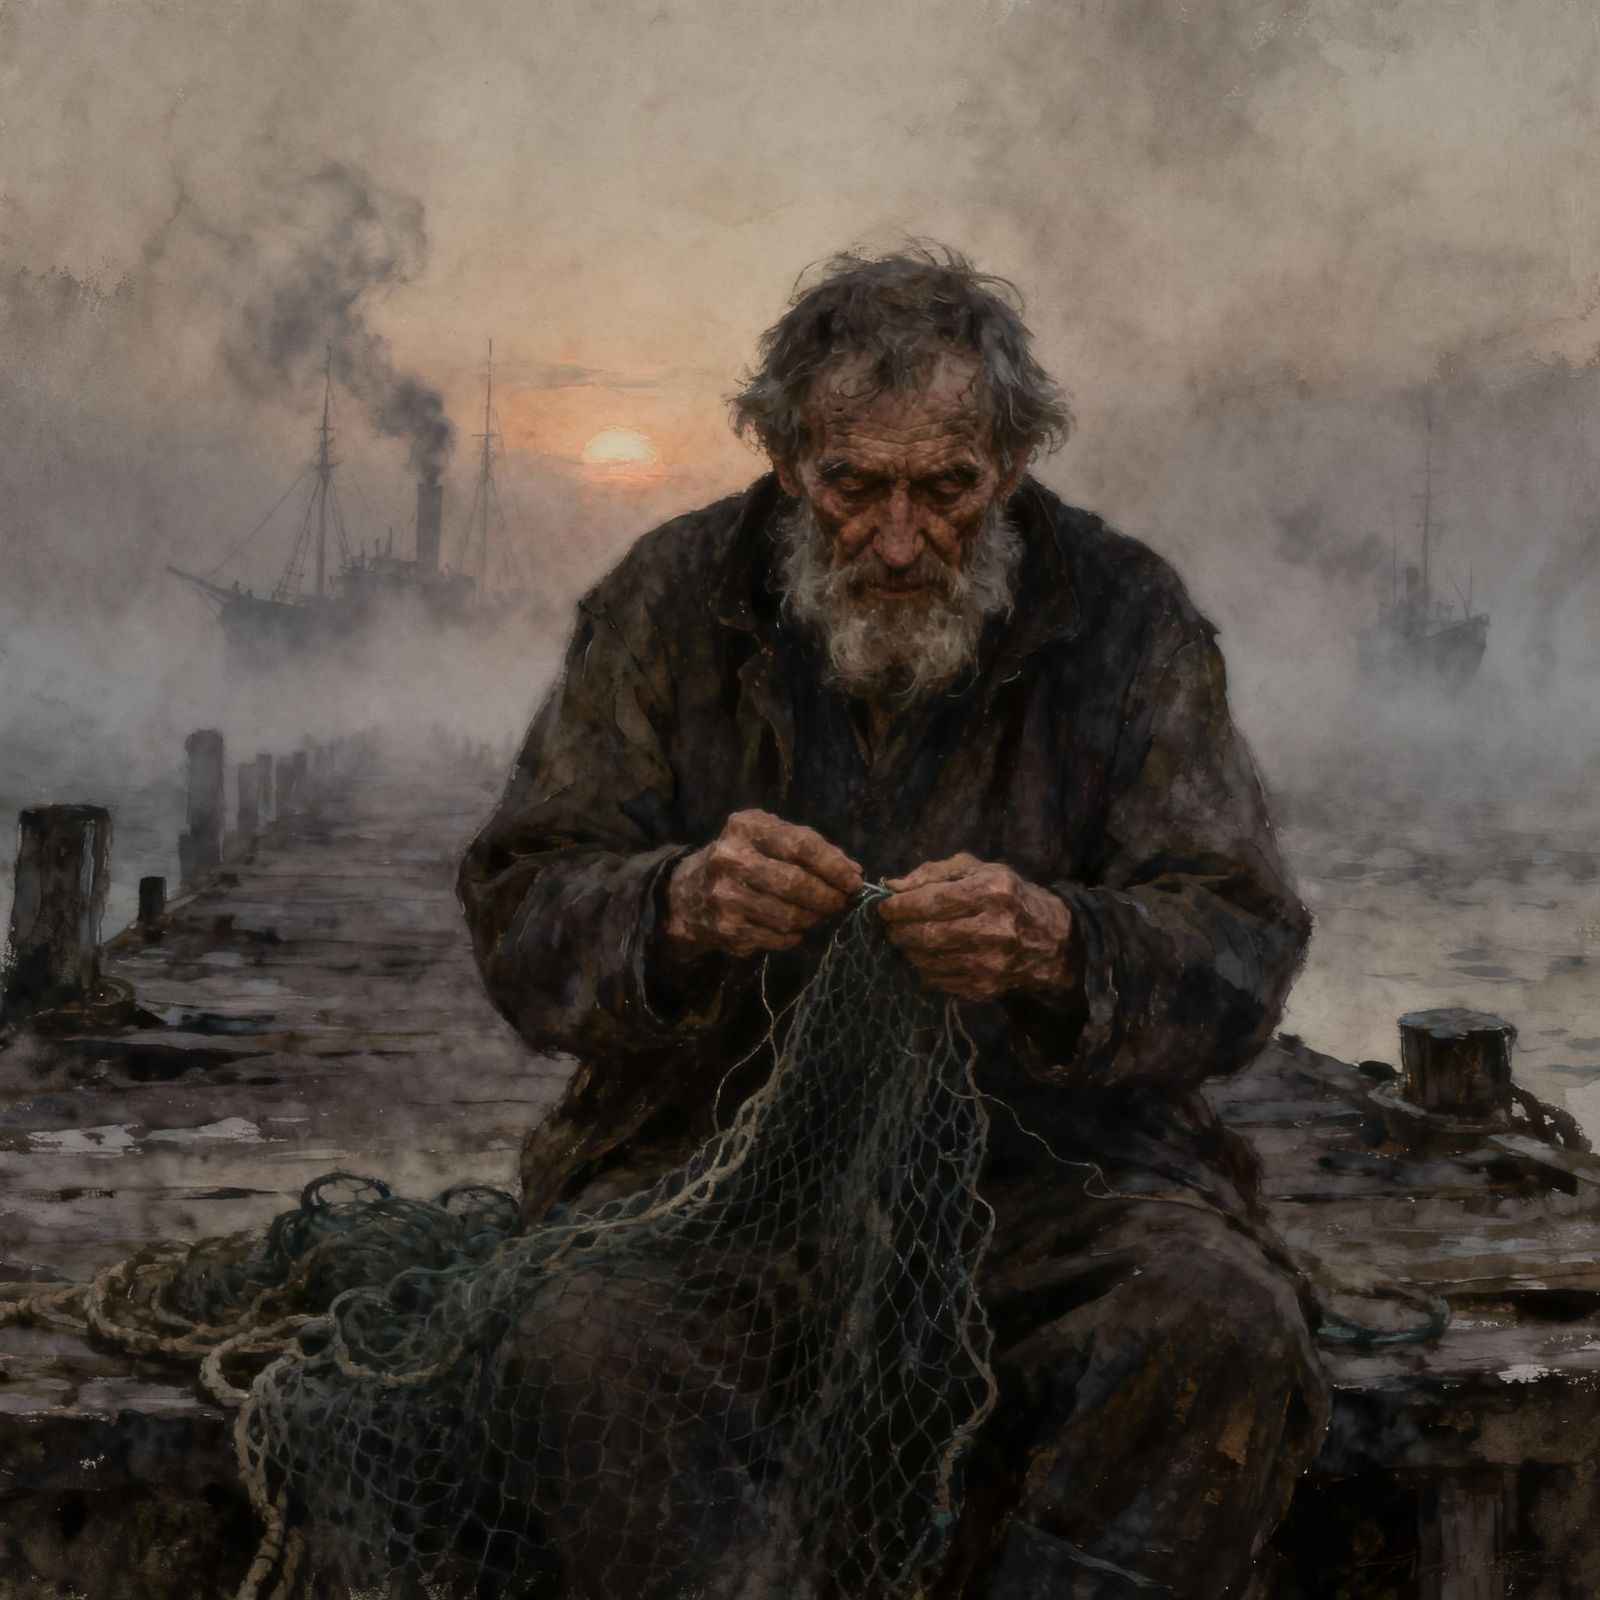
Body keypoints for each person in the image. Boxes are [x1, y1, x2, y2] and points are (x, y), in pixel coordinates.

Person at [458, 246, 1330, 1600]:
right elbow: (523, 913)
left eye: (949, 492)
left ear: (1014, 469)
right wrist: (675, 907)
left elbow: (1241, 943)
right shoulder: (664, 600)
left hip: (1054, 1178)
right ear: (786, 459)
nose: (902, 539)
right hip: (698, 1178)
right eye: (853, 488)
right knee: (584, 1346)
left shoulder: (1129, 614)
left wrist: (1062, 946)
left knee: (1217, 1324)